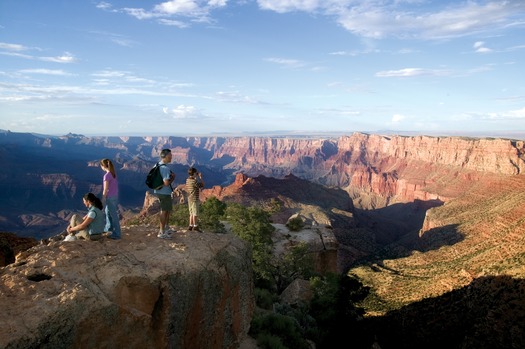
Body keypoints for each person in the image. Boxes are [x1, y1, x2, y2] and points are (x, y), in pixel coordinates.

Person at [154, 148, 176, 239]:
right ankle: (162, 232)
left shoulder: (157, 165)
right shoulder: (165, 168)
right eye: (170, 156)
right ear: (166, 156)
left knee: (166, 210)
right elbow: (167, 183)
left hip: (158, 190)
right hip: (164, 192)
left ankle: (166, 228)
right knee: (164, 211)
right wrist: (173, 178)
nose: (171, 157)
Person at [100, 158, 121, 240]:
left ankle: (117, 234)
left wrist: (102, 199)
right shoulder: (113, 173)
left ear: (103, 166)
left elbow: (105, 189)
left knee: (113, 215)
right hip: (115, 196)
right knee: (107, 212)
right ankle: (108, 228)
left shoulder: (106, 176)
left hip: (110, 197)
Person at [185, 167, 204, 232]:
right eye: (196, 172)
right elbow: (202, 185)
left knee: (191, 213)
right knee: (195, 213)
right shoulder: (194, 181)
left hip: (189, 198)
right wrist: (200, 177)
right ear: (194, 173)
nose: (197, 173)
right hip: (194, 198)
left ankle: (190, 225)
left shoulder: (187, 180)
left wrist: (195, 177)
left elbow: (193, 185)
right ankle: (195, 226)